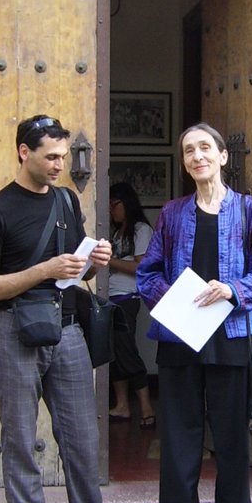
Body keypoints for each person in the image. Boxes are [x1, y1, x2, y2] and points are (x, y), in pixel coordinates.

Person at [0, 114, 134, 503]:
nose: (60, 165)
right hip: (14, 332)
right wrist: (43, 269)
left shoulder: (66, 199)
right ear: (24, 152)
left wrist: (95, 263)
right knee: (21, 441)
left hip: (67, 330)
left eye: (63, 156)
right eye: (51, 157)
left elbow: (73, 273)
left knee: (82, 438)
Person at [136, 123, 252, 503]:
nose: (196, 156)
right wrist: (174, 299)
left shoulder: (249, 210)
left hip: (231, 340)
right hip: (180, 341)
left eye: (204, 148)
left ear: (222, 156)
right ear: (184, 163)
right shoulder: (173, 213)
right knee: (179, 447)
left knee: (233, 448)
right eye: (188, 151)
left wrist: (233, 290)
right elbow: (147, 273)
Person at [107, 181, 157, 428]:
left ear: (126, 203)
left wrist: (109, 261)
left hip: (127, 299)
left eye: (114, 204)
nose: (111, 209)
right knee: (113, 354)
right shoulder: (118, 232)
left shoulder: (140, 230)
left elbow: (141, 267)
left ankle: (147, 409)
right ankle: (122, 406)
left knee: (127, 352)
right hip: (111, 299)